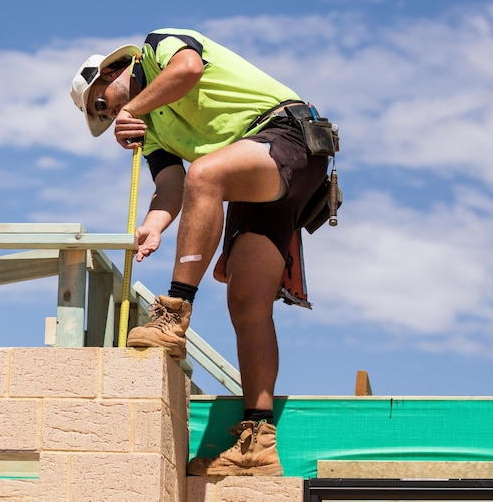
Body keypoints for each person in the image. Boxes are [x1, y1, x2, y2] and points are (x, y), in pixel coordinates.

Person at [69, 28, 330, 476]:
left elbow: (188, 69)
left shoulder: (158, 46)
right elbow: (169, 189)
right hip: (253, 177)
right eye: (104, 115)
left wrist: (132, 106)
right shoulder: (150, 132)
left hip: (288, 135)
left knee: (206, 175)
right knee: (247, 303)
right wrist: (152, 225)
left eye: (102, 103)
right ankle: (258, 442)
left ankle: (173, 312)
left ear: (113, 68)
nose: (112, 115)